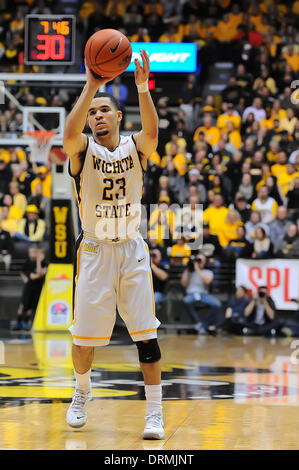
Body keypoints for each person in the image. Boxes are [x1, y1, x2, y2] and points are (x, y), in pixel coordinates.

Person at [63, 50, 164, 439]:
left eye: (104, 110)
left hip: (131, 249)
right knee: (83, 338)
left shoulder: (134, 149)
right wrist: (91, 85)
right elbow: (68, 135)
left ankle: (154, 413)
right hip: (93, 251)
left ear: (119, 117)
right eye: (93, 112)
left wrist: (142, 86)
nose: (98, 115)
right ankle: (81, 392)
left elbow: (153, 134)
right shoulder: (83, 150)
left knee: (147, 336)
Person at [181, 253, 222, 334]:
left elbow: (207, 281)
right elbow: (183, 284)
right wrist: (187, 268)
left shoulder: (208, 272)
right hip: (191, 295)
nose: (199, 262)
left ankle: (204, 325)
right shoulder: (189, 271)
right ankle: (197, 323)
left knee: (217, 304)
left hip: (204, 295)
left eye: (201, 260)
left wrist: (197, 269)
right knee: (186, 301)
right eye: (197, 260)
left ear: (205, 262)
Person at [14, 245, 47, 331]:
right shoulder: (29, 262)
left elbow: (40, 273)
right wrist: (26, 278)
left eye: (40, 254)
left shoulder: (45, 263)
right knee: (23, 305)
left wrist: (39, 262)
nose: (38, 256)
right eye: (37, 254)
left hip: (38, 288)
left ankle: (25, 322)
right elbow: (28, 274)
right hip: (28, 287)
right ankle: (18, 323)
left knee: (32, 307)